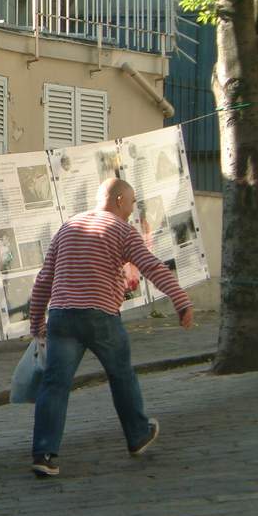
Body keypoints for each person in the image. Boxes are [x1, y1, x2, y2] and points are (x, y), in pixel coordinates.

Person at [28, 178, 193, 477]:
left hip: (62, 317)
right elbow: (151, 266)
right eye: (131, 202)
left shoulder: (68, 227)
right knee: (121, 375)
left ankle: (44, 453)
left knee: (55, 384)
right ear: (118, 200)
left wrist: (36, 322)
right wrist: (180, 300)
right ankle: (138, 434)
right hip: (100, 314)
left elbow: (44, 278)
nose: (132, 209)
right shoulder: (121, 230)